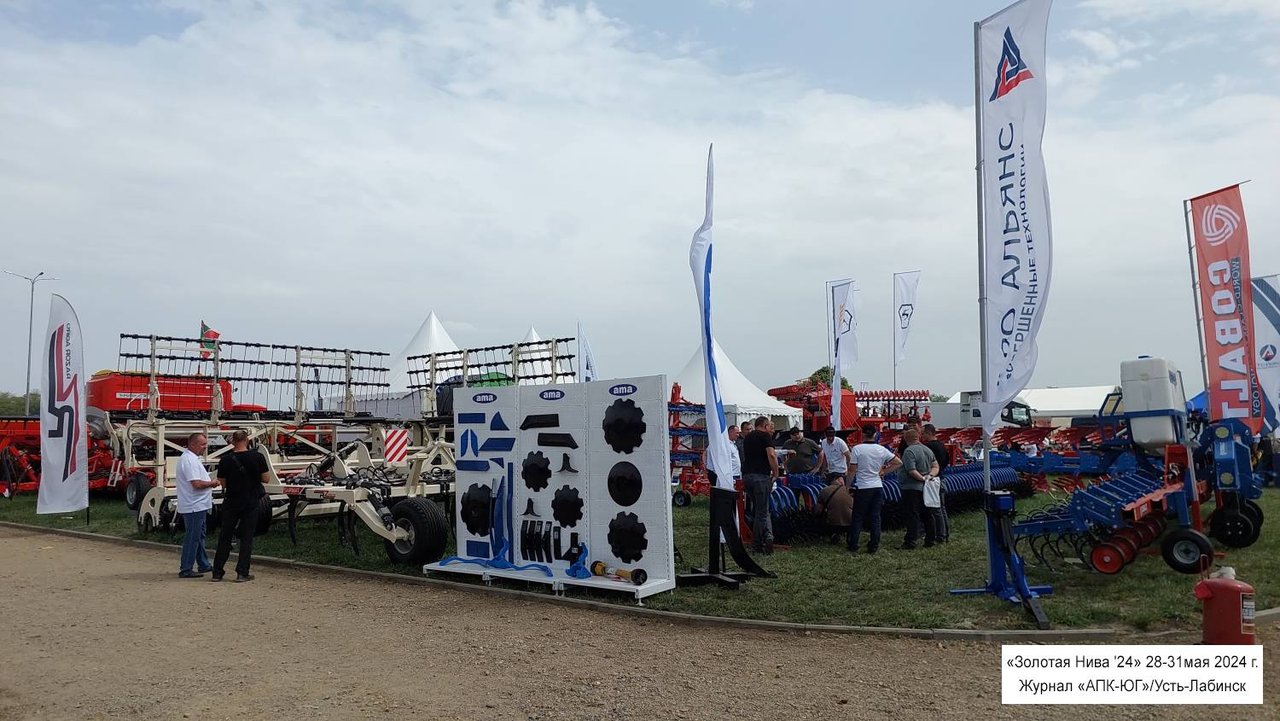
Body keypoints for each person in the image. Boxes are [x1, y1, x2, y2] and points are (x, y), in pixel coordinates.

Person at [211, 430, 271, 582]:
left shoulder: (225, 460)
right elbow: (266, 478)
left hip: (231, 501)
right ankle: (242, 572)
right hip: (250, 500)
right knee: (246, 537)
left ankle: (217, 572)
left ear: (232, 442)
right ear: (247, 440)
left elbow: (223, 483)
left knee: (225, 536)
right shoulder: (258, 457)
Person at [847, 423, 901, 554]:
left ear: (862, 434)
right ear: (875, 434)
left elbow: (852, 470)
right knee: (875, 517)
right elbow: (898, 463)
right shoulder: (881, 449)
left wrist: (847, 485)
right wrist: (883, 472)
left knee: (858, 516)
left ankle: (853, 544)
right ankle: (874, 545)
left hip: (863, 486)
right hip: (877, 486)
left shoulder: (857, 449)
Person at [175, 433, 219, 578]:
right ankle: (186, 568)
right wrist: (212, 483)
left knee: (199, 535)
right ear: (192, 444)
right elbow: (197, 484)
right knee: (193, 537)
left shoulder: (192, 459)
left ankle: (203, 564)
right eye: (202, 444)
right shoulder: (189, 460)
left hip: (198, 504)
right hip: (194, 505)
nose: (205, 447)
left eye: (206, 444)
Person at [740, 416, 778, 554]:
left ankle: (768, 536)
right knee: (762, 512)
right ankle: (757, 544)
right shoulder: (765, 436)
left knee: (759, 509)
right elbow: (771, 455)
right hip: (761, 476)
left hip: (747, 476)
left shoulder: (747, 437)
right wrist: (776, 472)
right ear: (765, 425)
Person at [899, 428, 941, 549]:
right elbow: (935, 466)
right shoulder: (927, 449)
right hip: (926, 488)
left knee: (912, 514)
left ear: (906, 439)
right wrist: (929, 476)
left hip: (911, 487)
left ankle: (910, 541)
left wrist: (922, 478)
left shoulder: (909, 451)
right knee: (927, 514)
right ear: (918, 437)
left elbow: (911, 470)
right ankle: (930, 539)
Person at [921, 424, 950, 543]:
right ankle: (945, 533)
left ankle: (939, 535)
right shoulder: (941, 445)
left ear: (928, 433)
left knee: (935, 509)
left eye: (923, 433)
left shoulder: (928, 447)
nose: (922, 436)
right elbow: (947, 460)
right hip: (941, 478)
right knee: (941, 508)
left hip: (932, 480)